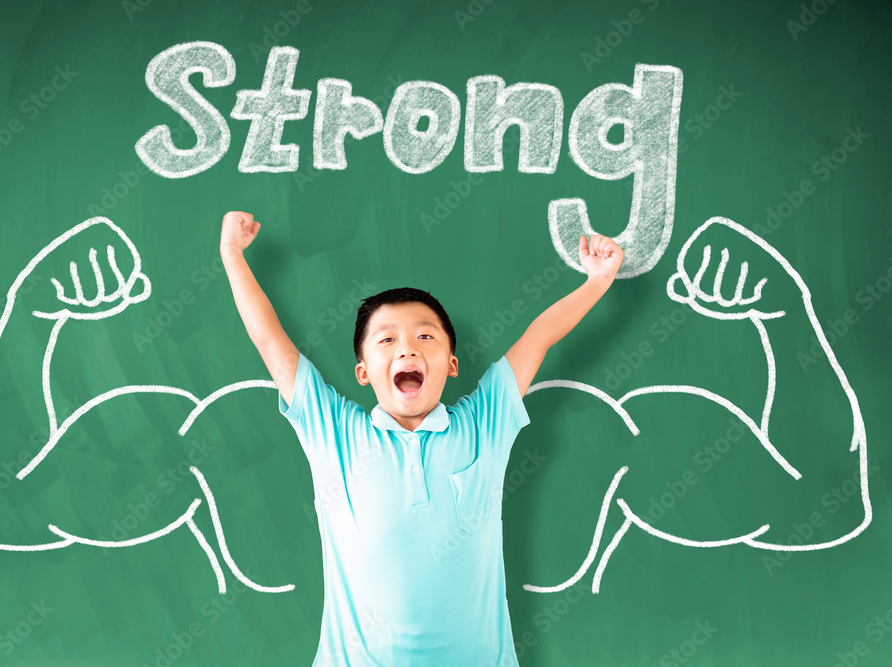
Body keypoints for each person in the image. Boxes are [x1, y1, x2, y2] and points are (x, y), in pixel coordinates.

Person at [219, 210, 624, 666]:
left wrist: (598, 281)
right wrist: (232, 255)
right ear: (363, 372)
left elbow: (539, 337)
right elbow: (271, 343)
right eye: (386, 341)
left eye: (425, 336)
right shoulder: (333, 431)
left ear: (452, 364)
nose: (407, 348)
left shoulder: (485, 421)